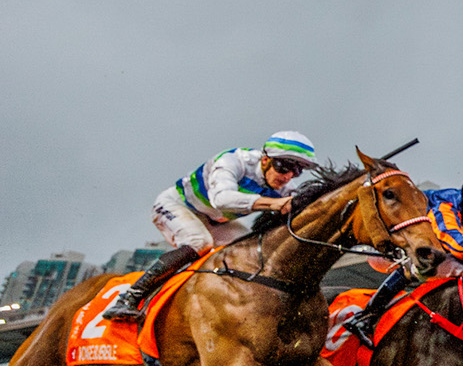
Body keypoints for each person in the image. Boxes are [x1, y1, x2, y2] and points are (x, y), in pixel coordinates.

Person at [104, 131, 318, 322]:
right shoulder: (233, 161)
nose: (287, 176)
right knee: (199, 242)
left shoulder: (285, 188)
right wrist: (273, 204)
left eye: (296, 171)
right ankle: (130, 297)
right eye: (283, 167)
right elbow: (221, 199)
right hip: (176, 205)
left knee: (253, 250)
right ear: (265, 160)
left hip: (217, 221)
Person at [348, 167, 463, 347]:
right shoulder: (444, 206)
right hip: (382, 250)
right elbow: (461, 247)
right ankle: (364, 318)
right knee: (433, 260)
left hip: (414, 243)